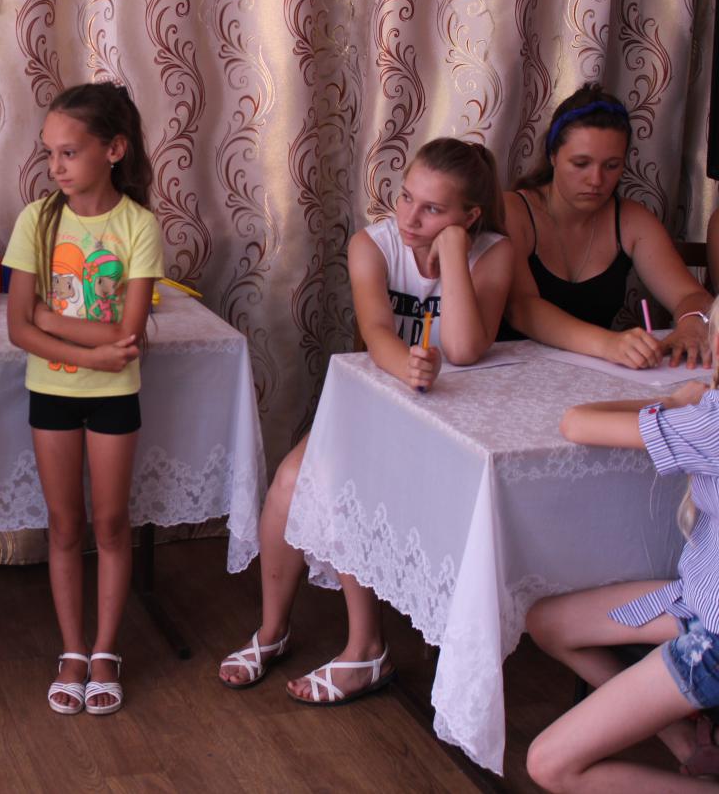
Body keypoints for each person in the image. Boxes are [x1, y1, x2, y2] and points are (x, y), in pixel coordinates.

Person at [218, 138, 513, 705]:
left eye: (433, 209)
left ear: (470, 217)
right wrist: (411, 369)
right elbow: (376, 332)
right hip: (382, 399)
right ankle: (273, 630)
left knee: (343, 478)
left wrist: (454, 252)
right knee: (290, 481)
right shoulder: (372, 245)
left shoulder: (494, 253)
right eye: (406, 198)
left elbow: (466, 349)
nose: (410, 217)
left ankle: (367, 648)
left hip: (461, 421)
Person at [3, 82, 163, 715]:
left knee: (112, 524)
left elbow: (131, 334)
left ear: (114, 150)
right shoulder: (36, 221)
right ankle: (72, 651)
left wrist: (51, 317)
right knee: (65, 524)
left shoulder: (138, 226)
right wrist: (91, 350)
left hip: (114, 398)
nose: (56, 167)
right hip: (53, 393)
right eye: (50, 153)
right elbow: (18, 329)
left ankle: (104, 651)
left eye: (69, 153)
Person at [524, 295, 719, 791]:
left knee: (549, 765)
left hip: (712, 638)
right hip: (699, 599)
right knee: (547, 622)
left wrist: (672, 404)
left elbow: (576, 421)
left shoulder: (710, 424)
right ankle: (688, 743)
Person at [500, 84, 712, 369]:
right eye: (581, 163)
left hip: (591, 374)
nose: (596, 180)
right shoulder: (514, 210)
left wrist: (692, 322)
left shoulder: (631, 220)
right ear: (552, 156)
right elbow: (521, 308)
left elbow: (691, 295)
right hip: (508, 372)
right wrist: (608, 344)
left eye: (611, 166)